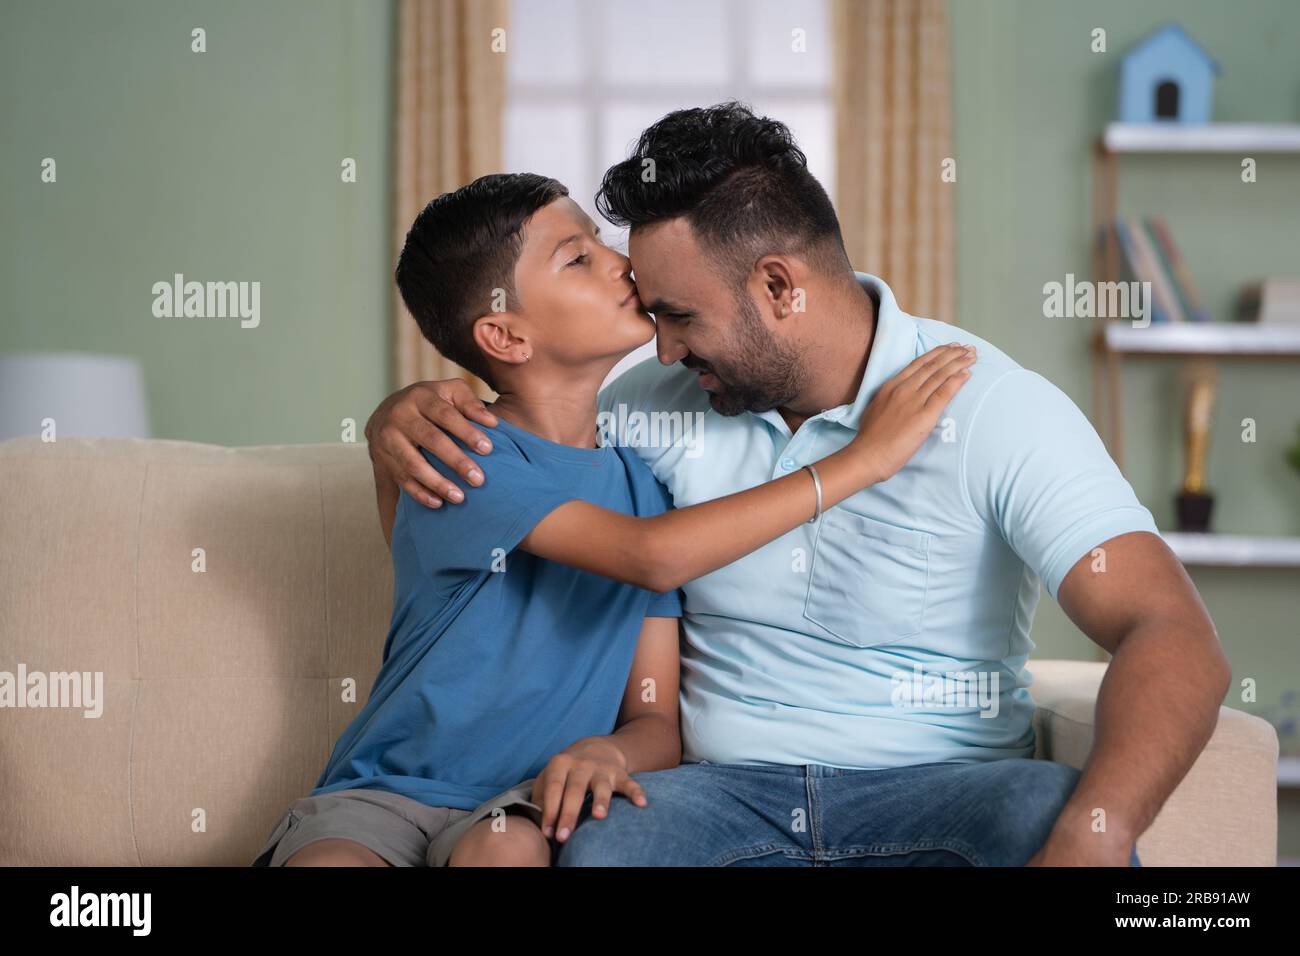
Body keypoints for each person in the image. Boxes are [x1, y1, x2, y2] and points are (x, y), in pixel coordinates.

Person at [366, 103, 1230, 866]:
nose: (661, 349)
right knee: (610, 848)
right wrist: (396, 421)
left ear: (780, 287)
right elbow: (521, 441)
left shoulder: (996, 408)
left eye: (681, 317)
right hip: (715, 803)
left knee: (1048, 811)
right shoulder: (643, 409)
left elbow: (1169, 630)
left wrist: (1097, 833)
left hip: (941, 791)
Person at [251, 170, 974, 868]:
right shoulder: (463, 453)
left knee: (504, 848)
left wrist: (613, 751)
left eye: (600, 241)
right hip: (385, 792)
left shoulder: (641, 482)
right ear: (505, 338)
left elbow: (655, 718)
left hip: (519, 805)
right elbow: (650, 556)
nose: (621, 263)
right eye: (579, 259)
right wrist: (862, 460)